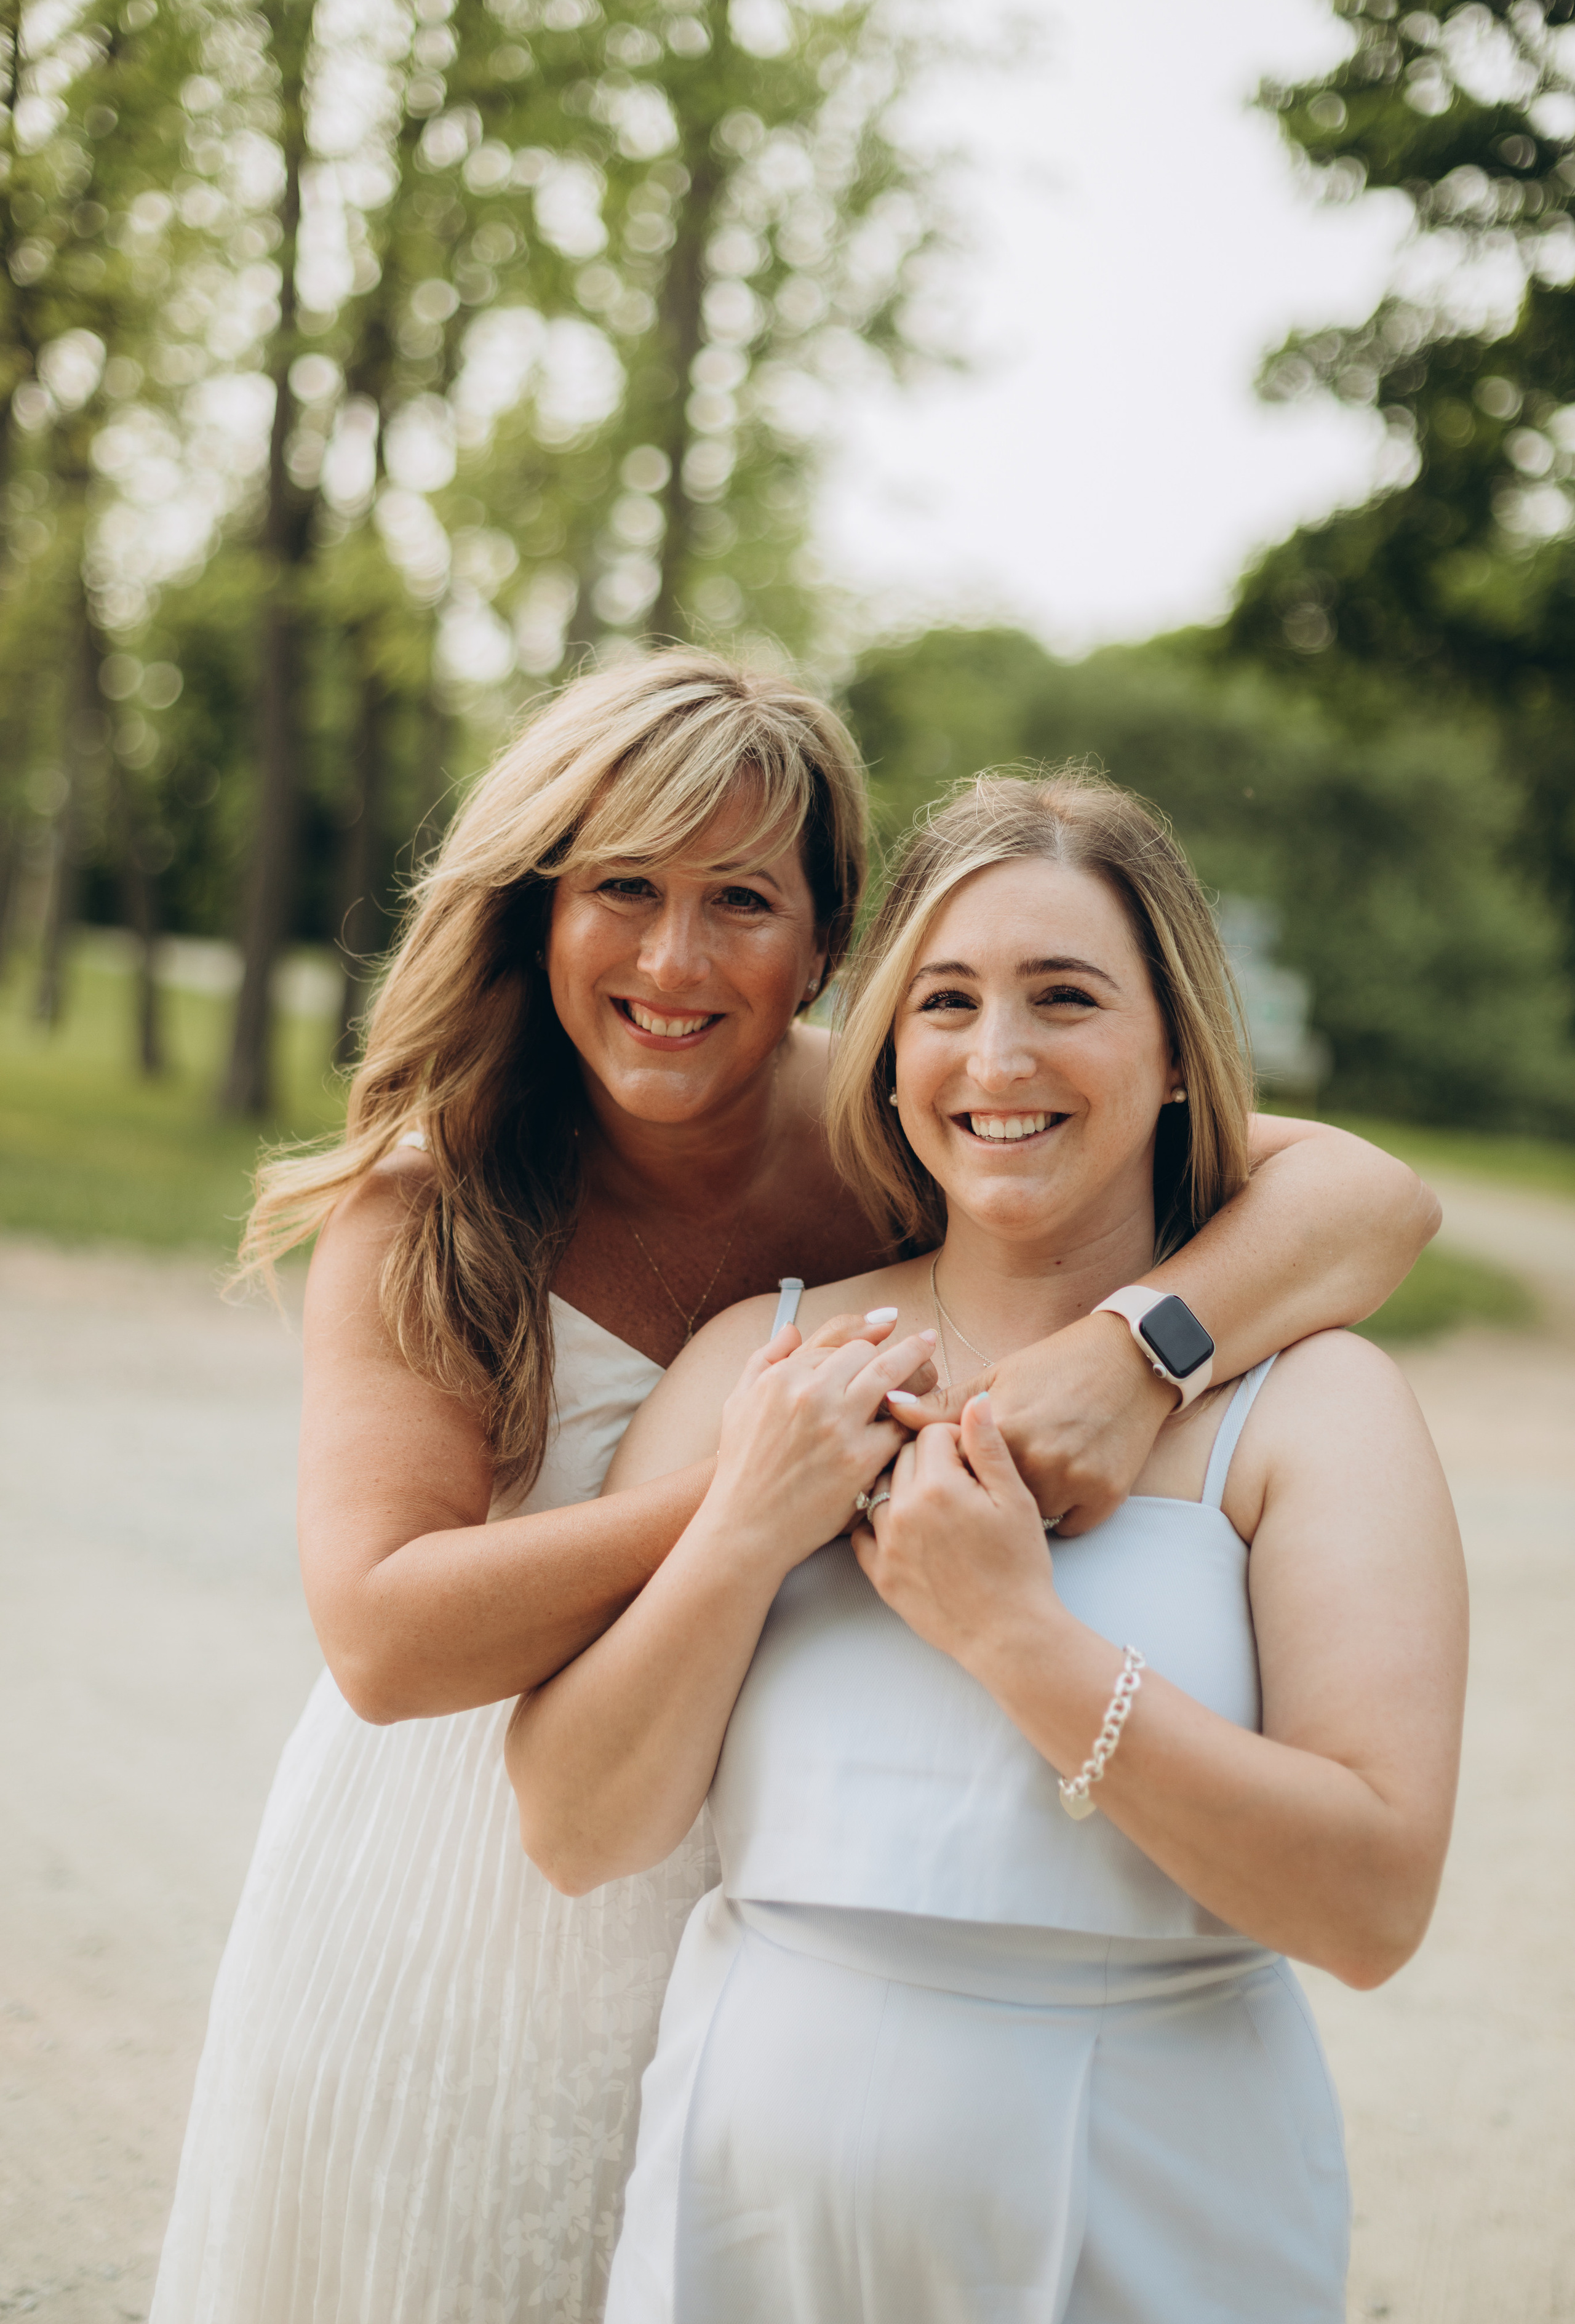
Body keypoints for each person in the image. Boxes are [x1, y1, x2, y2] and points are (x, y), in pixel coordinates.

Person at [153, 660, 1438, 2324]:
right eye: (622, 888)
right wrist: (749, 1499)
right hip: (459, 1877)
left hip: (755, 1906)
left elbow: (1370, 1197)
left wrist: (1133, 1359)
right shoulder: (443, 1210)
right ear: (538, 912)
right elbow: (389, 1647)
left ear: (826, 942)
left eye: (739, 900)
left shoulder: (912, 1114)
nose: (673, 961)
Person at [508, 768, 1467, 2323]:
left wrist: (1016, 1639)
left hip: (1150, 2205)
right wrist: (747, 1530)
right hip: (747, 2212)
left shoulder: (1310, 1411)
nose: (997, 1057)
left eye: (1065, 997)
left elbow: (1368, 1908)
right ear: (887, 1057)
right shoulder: (757, 1363)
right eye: (945, 1001)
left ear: (1173, 1059)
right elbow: (575, 1830)